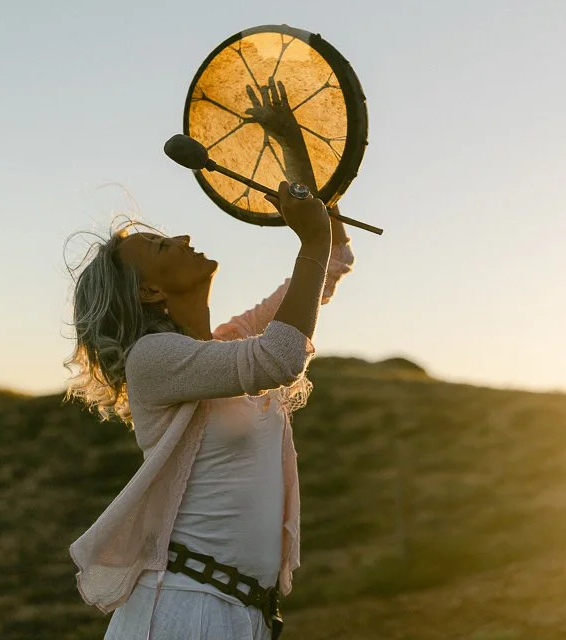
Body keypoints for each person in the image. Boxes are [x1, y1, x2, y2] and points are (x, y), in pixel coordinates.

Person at [65, 175, 355, 640]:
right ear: (150, 293)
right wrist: (312, 240)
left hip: (239, 611)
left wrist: (299, 154)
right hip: (184, 607)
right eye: (162, 247)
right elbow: (282, 355)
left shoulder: (224, 345)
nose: (182, 238)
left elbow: (331, 262)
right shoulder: (151, 358)